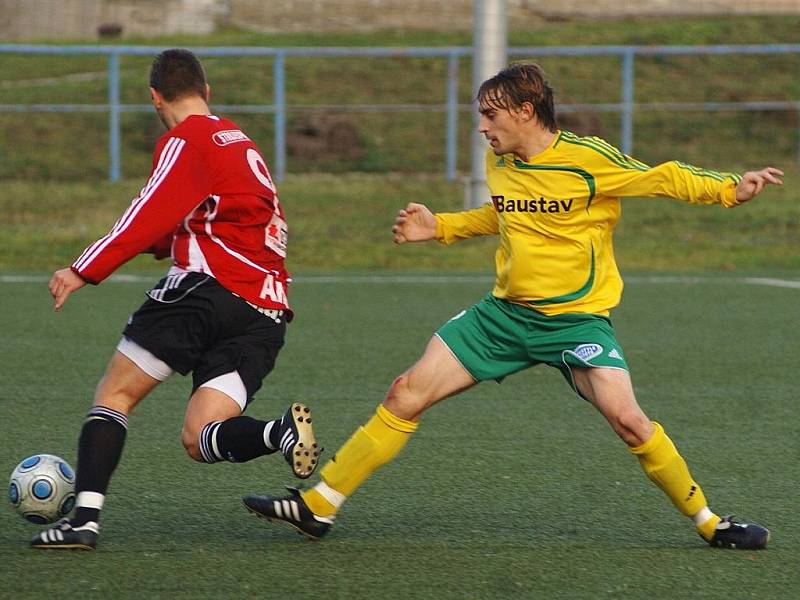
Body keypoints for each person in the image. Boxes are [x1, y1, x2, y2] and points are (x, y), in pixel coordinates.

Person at [243, 62, 782, 550]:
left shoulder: (587, 160)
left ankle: (711, 523)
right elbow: (505, 215)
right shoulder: (500, 162)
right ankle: (319, 505)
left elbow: (661, 177)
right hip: (501, 318)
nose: (482, 126)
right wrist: (442, 227)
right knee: (405, 392)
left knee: (630, 423)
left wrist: (730, 187)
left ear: (527, 111)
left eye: (490, 114)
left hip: (575, 323)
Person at [32, 49, 320, 551]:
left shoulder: (187, 138)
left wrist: (83, 268)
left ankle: (82, 522)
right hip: (265, 312)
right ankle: (279, 435)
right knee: (201, 436)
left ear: (154, 98)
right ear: (206, 92)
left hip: (207, 291)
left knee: (115, 396)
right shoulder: (238, 141)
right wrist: (164, 243)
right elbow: (213, 218)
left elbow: (148, 211)